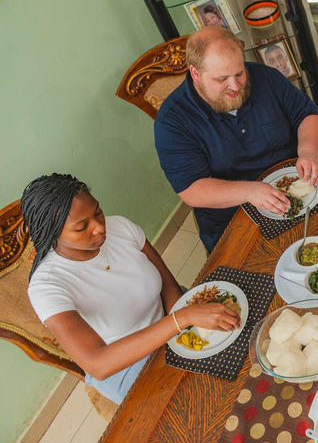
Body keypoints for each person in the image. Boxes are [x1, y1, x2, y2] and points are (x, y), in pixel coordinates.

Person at [23, 173, 241, 404]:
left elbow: (167, 283)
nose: (99, 228)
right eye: (82, 227)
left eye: (97, 212)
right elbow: (99, 364)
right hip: (127, 363)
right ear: (52, 234)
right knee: (202, 405)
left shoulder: (119, 227)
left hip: (172, 316)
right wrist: (182, 319)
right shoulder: (47, 286)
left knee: (240, 348)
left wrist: (184, 326)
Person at [154, 27, 318, 252]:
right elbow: (191, 189)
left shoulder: (265, 77)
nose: (235, 86)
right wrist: (249, 191)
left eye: (239, 73)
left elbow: (307, 114)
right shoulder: (172, 121)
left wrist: (308, 152)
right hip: (232, 214)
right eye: (222, 79)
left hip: (295, 187)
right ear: (195, 74)